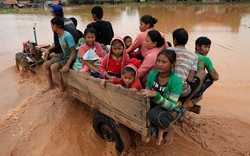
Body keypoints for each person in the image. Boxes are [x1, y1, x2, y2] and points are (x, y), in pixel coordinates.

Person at [140, 49, 183, 146]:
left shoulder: (176, 81)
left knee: (153, 114)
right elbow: (147, 92)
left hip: (170, 110)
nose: (159, 64)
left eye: (164, 62)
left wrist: (156, 95)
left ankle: (168, 128)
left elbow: (171, 106)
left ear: (172, 64)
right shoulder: (152, 74)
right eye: (158, 61)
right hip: (155, 105)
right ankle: (161, 128)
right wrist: (137, 91)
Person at [168, 28, 206, 111]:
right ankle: (187, 101)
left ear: (174, 40)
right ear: (186, 41)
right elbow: (189, 79)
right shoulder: (193, 56)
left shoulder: (167, 51)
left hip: (166, 88)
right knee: (202, 72)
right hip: (182, 92)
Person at [42, 17, 76, 96]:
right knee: (45, 65)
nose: (51, 27)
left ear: (55, 26)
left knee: (53, 67)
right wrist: (50, 51)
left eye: (51, 25)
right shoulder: (59, 35)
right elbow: (57, 45)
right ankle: (51, 85)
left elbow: (73, 52)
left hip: (70, 58)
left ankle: (61, 89)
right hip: (64, 56)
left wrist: (67, 65)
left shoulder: (67, 36)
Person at [192, 36, 219, 102]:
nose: (207, 49)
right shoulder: (205, 59)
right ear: (198, 47)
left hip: (186, 88)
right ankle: (196, 96)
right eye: (205, 47)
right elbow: (215, 77)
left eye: (209, 47)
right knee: (210, 77)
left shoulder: (190, 55)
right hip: (194, 91)